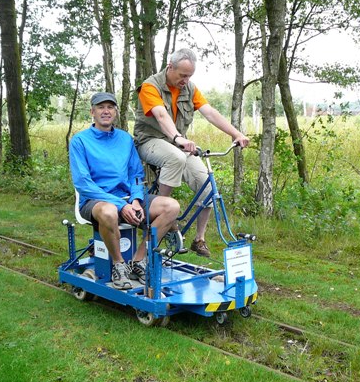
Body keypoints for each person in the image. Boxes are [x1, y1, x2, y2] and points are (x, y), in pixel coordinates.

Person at [134, 48, 249, 257]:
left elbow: (210, 113)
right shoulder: (150, 86)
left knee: (206, 185)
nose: (186, 80)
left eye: (189, 76)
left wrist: (236, 133)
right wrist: (178, 138)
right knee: (175, 157)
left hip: (177, 144)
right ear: (170, 67)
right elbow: (161, 115)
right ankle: (161, 213)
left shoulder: (189, 88)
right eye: (182, 75)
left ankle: (199, 239)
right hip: (150, 141)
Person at [69, 92, 180, 290]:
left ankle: (139, 260)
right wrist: (121, 205)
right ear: (92, 112)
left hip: (128, 198)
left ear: (115, 112)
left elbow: (136, 174)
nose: (106, 111)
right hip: (95, 201)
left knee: (171, 206)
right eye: (101, 107)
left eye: (110, 107)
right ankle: (118, 265)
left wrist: (136, 200)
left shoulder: (125, 139)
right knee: (109, 211)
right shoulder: (80, 141)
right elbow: (83, 183)